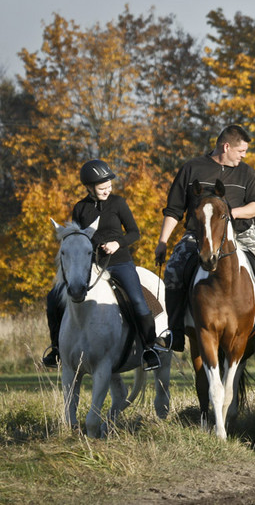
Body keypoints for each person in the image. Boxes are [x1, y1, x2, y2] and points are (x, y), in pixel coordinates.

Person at [154, 124, 255, 355]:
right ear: (226, 147)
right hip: (197, 236)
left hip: (241, 235)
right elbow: (173, 209)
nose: (243, 156)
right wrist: (163, 242)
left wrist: (231, 215)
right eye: (241, 151)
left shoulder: (247, 173)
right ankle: (174, 332)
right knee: (173, 269)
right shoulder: (192, 168)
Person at [42, 159, 164, 371]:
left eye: (109, 185)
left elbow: (135, 233)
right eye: (102, 187)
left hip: (120, 262)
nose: (107, 189)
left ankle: (149, 348)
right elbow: (78, 239)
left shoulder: (118, 203)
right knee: (53, 298)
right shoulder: (80, 208)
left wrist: (118, 243)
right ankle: (57, 350)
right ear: (89, 187)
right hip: (92, 266)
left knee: (137, 301)